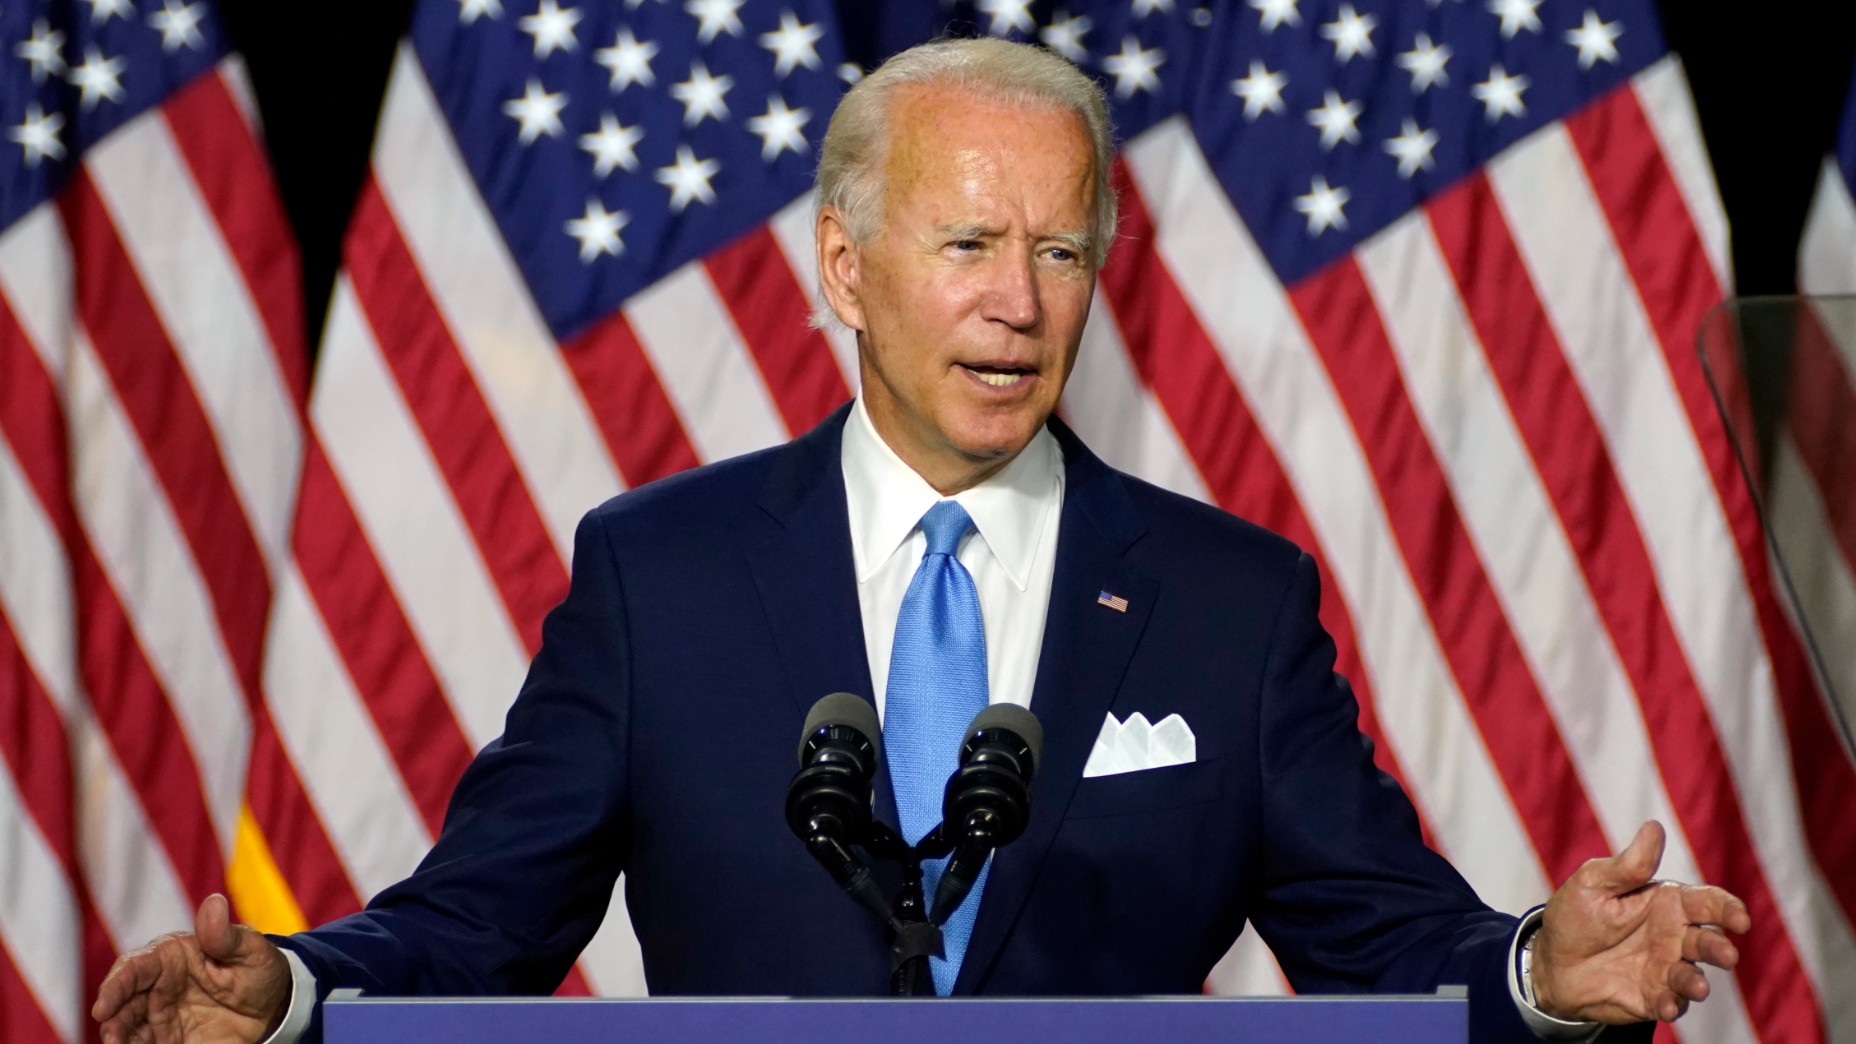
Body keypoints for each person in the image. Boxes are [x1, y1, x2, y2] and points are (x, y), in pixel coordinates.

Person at [94, 37, 1747, 1044]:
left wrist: (1542, 966)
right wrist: (289, 996)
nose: (1019, 305)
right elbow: (476, 924)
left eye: (1063, 250)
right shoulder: (657, 578)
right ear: (843, 268)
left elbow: (1390, 938)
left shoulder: (1230, 604)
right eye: (967, 241)